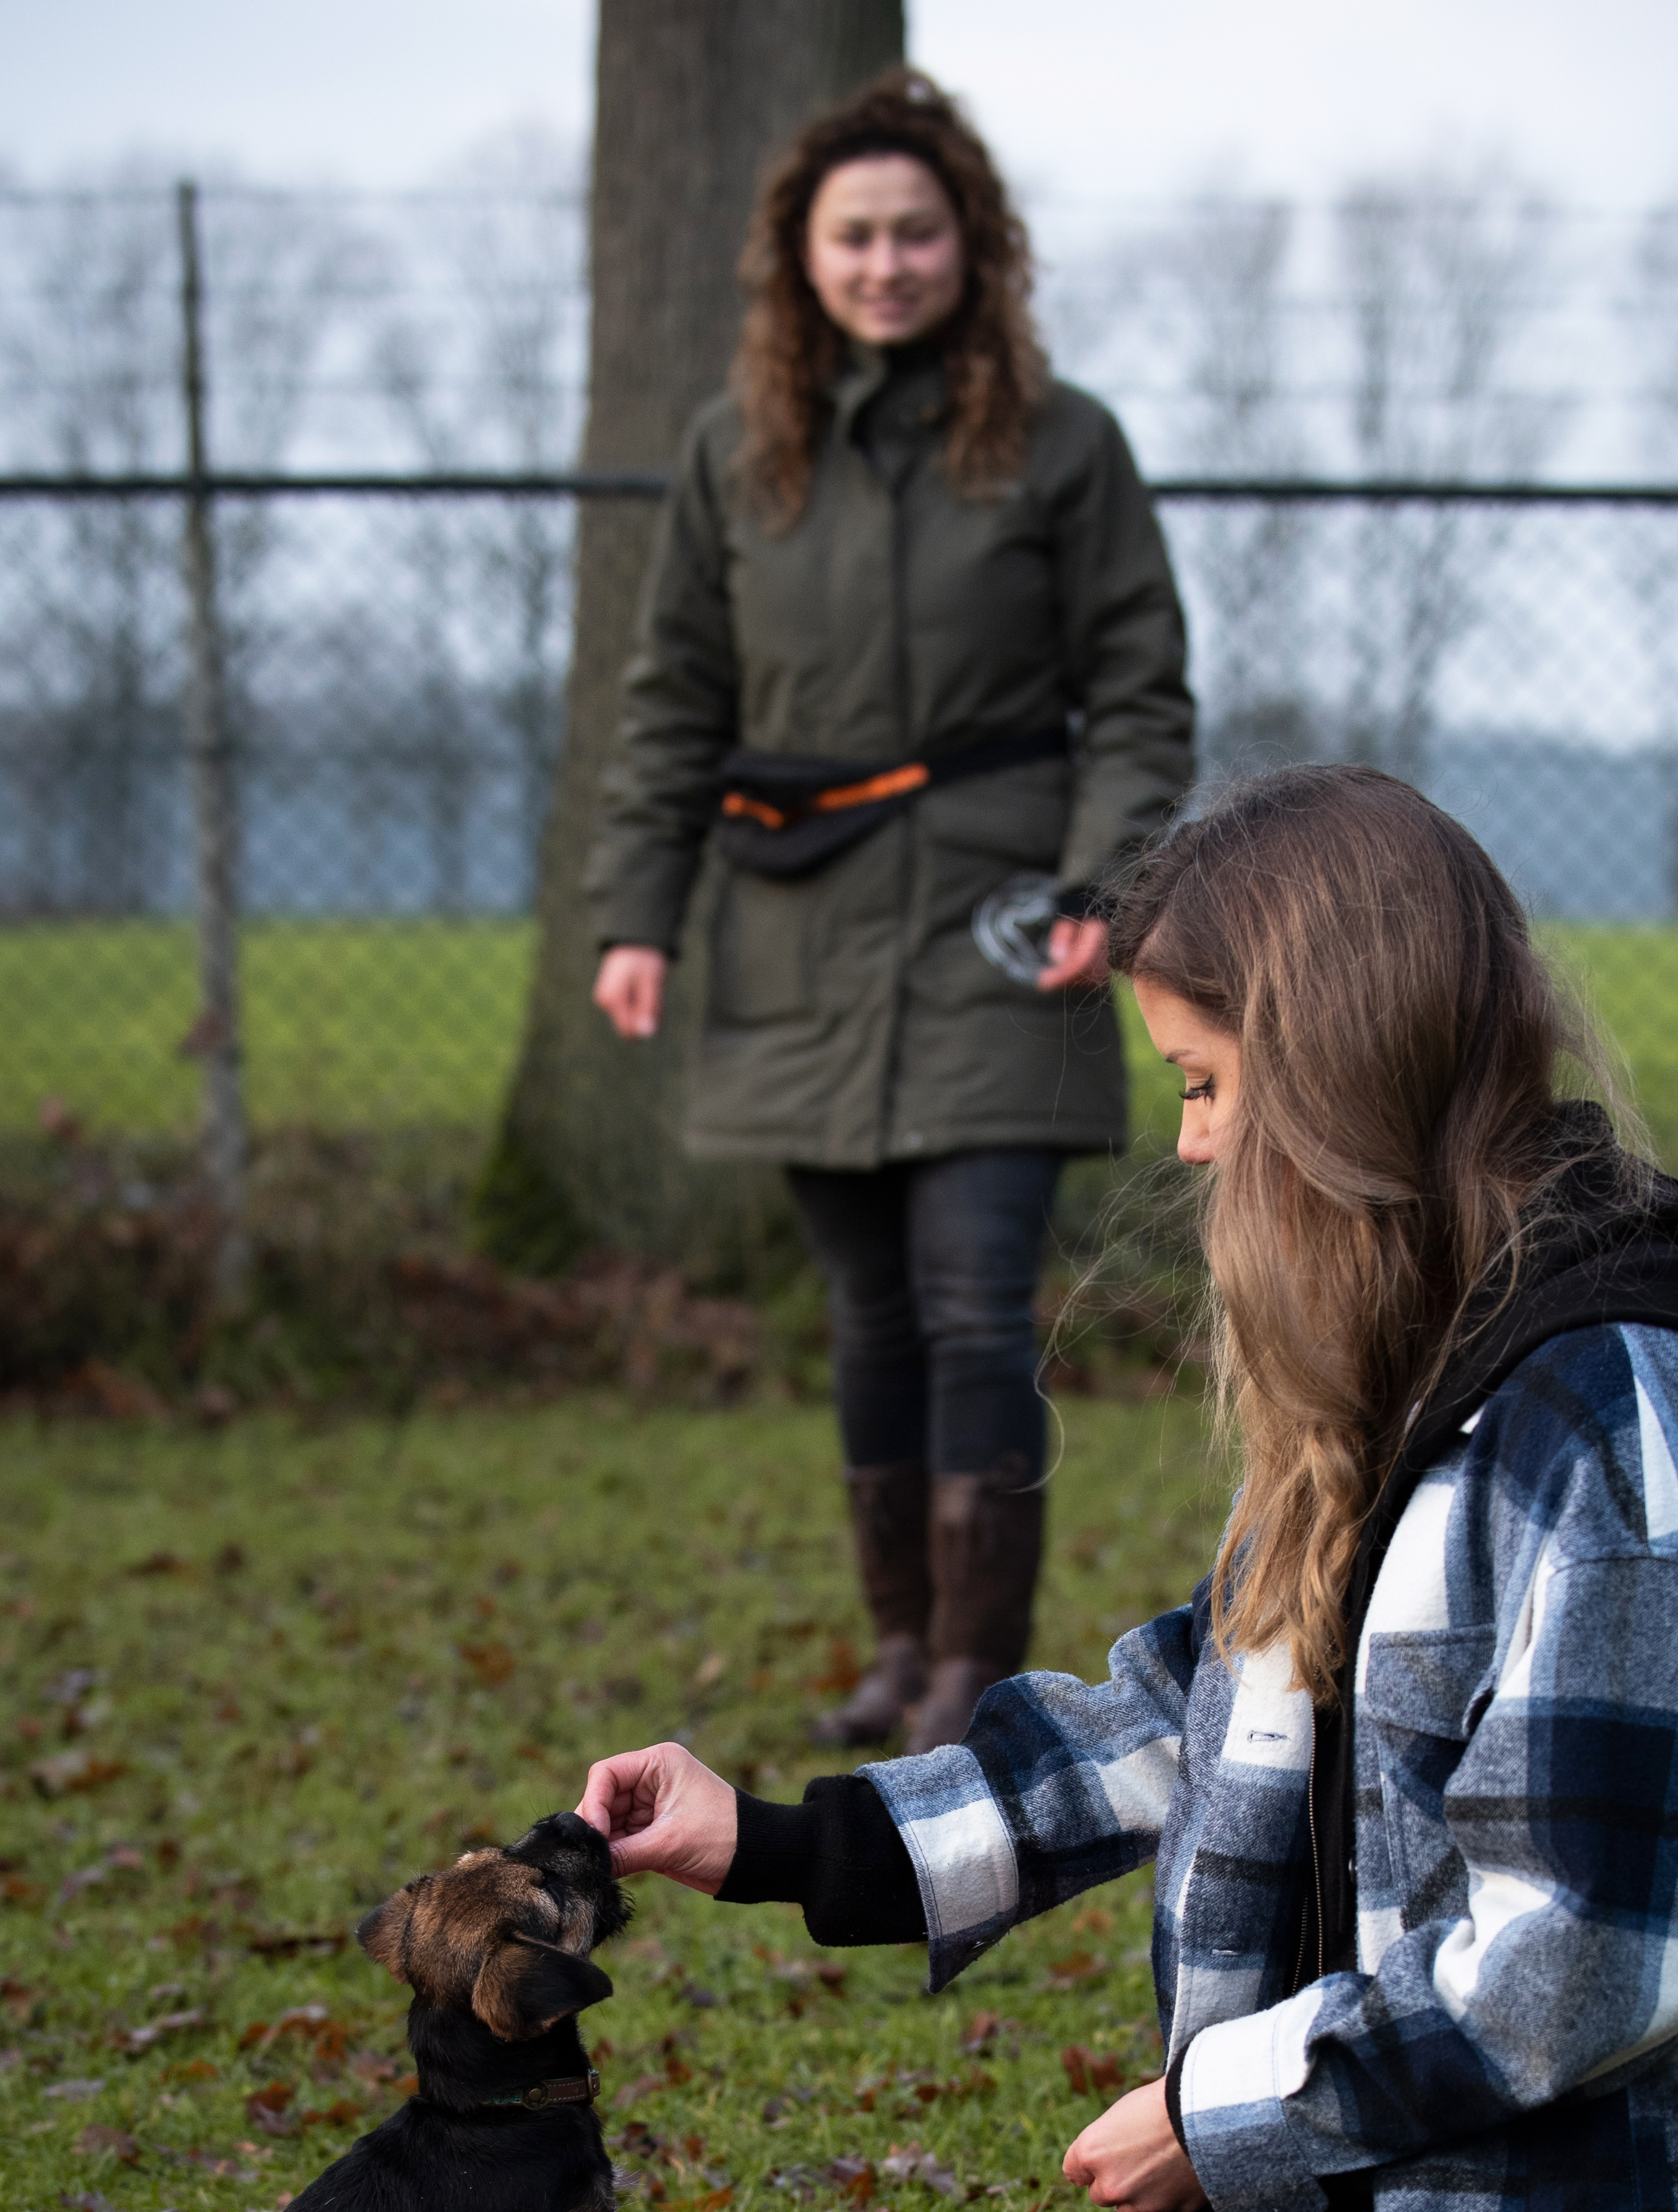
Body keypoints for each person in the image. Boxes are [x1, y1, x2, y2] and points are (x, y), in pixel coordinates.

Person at [581, 766, 1678, 2212]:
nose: (1189, 1148)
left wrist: (1229, 2116)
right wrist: (787, 1845)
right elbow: (1179, 1716)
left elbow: (1582, 1955)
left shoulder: (1625, 1430)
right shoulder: (1429, 1376)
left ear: (1335, 1071)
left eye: (1205, 1085)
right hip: (1428, 2203)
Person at [585, 69, 1194, 1755]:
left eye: (914, 230)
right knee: (865, 1309)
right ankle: (896, 1641)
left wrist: (1099, 881)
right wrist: (634, 914)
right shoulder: (736, 454)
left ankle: (972, 1670)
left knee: (975, 1297)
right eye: (850, 235)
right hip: (797, 928)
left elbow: (1138, 690)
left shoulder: (1066, 446)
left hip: (1009, 924)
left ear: (968, 246)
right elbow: (671, 704)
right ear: (798, 257)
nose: (883, 262)